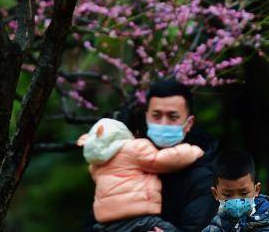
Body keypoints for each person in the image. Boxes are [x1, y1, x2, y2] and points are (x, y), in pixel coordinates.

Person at [84, 78, 220, 232]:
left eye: (172, 117)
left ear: (188, 123)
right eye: (156, 116)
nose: (163, 123)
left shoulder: (202, 177)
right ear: (147, 117)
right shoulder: (125, 162)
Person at [79, 117, 204, 231]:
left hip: (106, 225)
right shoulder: (133, 148)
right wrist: (191, 151)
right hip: (138, 219)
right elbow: (161, 160)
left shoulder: (95, 165)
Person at [202, 150, 269, 231]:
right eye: (227, 195)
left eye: (244, 193)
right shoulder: (214, 228)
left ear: (256, 189)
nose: (236, 201)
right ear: (215, 194)